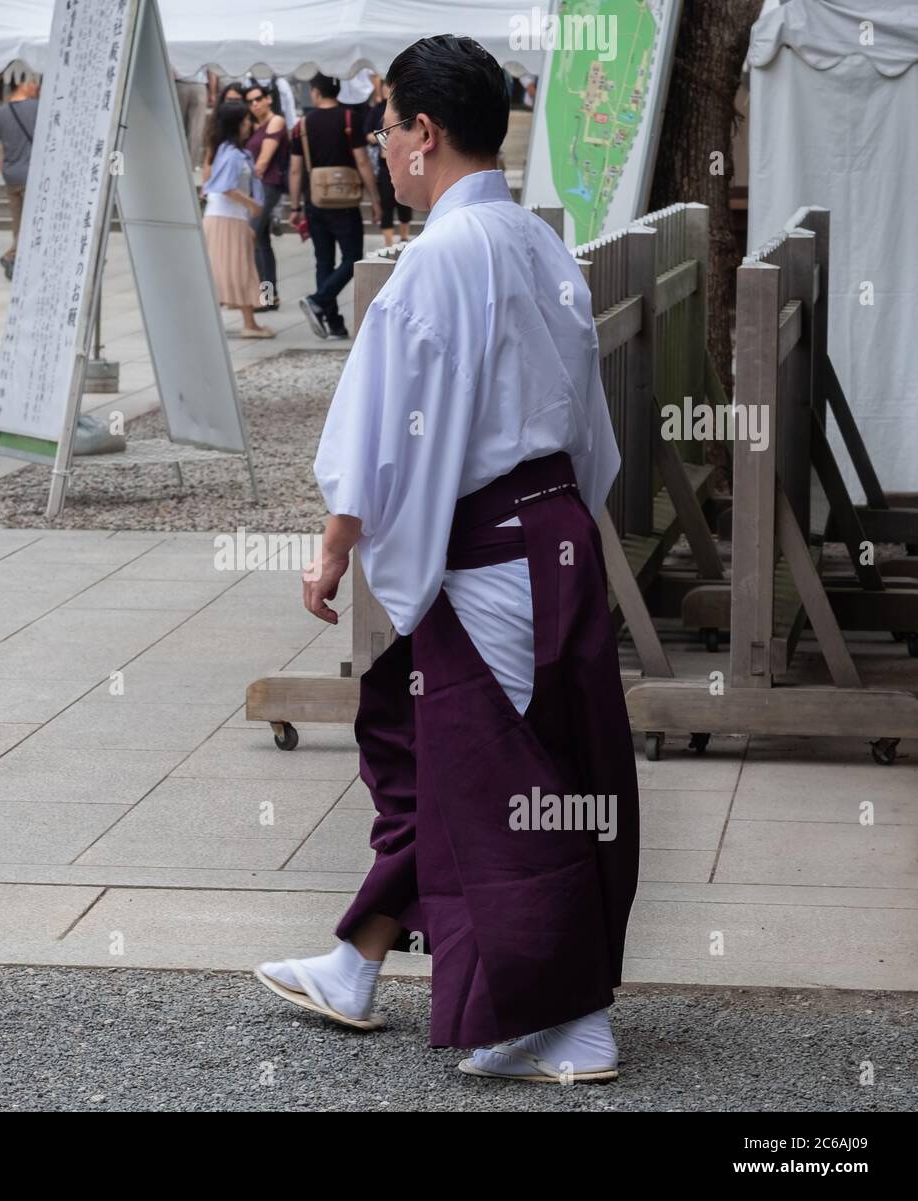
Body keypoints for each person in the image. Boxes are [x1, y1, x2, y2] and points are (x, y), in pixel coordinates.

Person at [254, 35, 639, 1085]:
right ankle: (352, 963)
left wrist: (336, 542)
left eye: (386, 126)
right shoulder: (541, 243)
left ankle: (568, 1017)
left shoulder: (437, 261)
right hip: (552, 533)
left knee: (507, 781)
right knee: (453, 756)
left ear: (423, 135)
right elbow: (588, 425)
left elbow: (382, 431)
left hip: (494, 550)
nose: (381, 145)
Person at [288, 73, 380, 340]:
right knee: (352, 257)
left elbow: (295, 171)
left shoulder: (302, 125)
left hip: (315, 200)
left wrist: (295, 206)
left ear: (315, 92)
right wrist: (374, 198)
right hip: (346, 201)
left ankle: (333, 321)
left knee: (323, 261)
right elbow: (363, 162)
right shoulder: (350, 119)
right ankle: (322, 306)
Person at [201, 100, 273, 340]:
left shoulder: (228, 150)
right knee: (238, 269)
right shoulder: (232, 154)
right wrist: (253, 205)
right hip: (227, 218)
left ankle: (243, 322)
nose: (249, 125)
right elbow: (225, 187)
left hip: (225, 217)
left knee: (230, 269)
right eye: (245, 121)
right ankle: (249, 324)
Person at [0, 76, 40, 280]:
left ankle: (14, 257)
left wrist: (1, 167)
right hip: (33, 175)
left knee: (18, 221)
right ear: (26, 84)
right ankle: (13, 257)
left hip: (11, 176)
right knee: (34, 220)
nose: (37, 88)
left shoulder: (0, 112)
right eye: (35, 84)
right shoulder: (38, 108)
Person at [244, 83, 288, 311]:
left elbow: (263, 161)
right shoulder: (255, 125)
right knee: (261, 241)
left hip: (268, 186)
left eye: (258, 98)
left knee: (254, 236)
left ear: (268, 99)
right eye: (250, 101)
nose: (254, 104)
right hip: (258, 187)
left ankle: (266, 294)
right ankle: (269, 295)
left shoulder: (275, 121)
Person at [365, 92, 412, 246]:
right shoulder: (377, 110)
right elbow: (369, 134)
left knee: (405, 202)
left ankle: (404, 239)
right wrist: (382, 136)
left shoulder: (406, 106)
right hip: (385, 163)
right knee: (387, 204)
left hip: (404, 161)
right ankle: (388, 244)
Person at [200, 82, 245, 185]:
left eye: (237, 100)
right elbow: (210, 158)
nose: (232, 104)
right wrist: (205, 188)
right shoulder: (216, 124)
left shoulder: (248, 124)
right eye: (229, 100)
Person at [173, 68, 215, 170]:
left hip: (180, 83)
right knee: (196, 128)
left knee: (176, 125)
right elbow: (211, 71)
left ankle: (176, 162)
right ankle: (191, 165)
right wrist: (213, 92)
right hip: (199, 85)